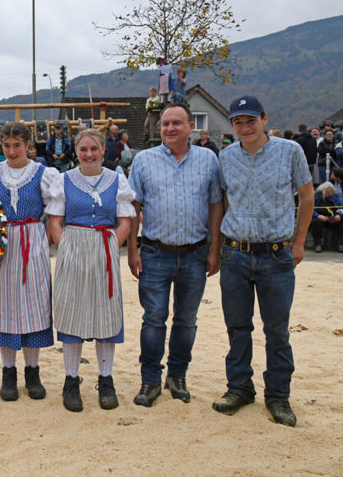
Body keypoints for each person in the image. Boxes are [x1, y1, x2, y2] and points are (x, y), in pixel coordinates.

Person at [213, 95, 313, 427]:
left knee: (277, 330)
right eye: (238, 122)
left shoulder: (290, 151)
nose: (245, 127)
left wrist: (299, 241)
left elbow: (307, 194)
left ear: (264, 119)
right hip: (236, 253)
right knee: (237, 327)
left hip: (277, 254)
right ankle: (239, 388)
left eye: (250, 120)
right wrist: (219, 248)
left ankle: (278, 395)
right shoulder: (226, 157)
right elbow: (223, 199)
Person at [127, 102, 223, 407]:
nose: (169, 128)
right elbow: (132, 207)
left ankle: (177, 376)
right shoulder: (144, 160)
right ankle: (150, 380)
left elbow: (216, 205)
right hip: (155, 252)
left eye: (176, 123)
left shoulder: (208, 159)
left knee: (186, 320)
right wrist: (132, 249)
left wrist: (215, 249)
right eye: (165, 123)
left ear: (190, 127)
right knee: (154, 319)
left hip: (195, 253)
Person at [0, 122, 58, 402]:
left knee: (34, 305)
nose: (11, 151)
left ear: (28, 145)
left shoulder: (43, 173)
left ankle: (32, 372)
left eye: (17, 145)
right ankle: (8, 372)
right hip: (0, 243)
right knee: (3, 305)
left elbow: (56, 209)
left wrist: (47, 238)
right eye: (6, 146)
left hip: (32, 242)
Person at [47, 129, 134, 412]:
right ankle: (71, 380)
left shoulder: (116, 180)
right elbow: (55, 221)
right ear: (76, 151)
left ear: (103, 150)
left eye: (94, 149)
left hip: (105, 246)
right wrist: (66, 249)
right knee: (72, 311)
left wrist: (111, 246)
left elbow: (125, 221)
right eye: (83, 149)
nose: (88, 154)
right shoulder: (64, 180)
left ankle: (106, 380)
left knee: (105, 312)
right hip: (73, 246)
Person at [309, 182, 343, 253]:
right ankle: (318, 244)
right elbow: (310, 209)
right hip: (319, 218)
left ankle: (340, 244)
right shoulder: (316, 197)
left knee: (341, 222)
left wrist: (338, 216)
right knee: (315, 222)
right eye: (326, 192)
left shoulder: (336, 197)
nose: (328, 193)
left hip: (332, 218)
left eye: (330, 192)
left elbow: (341, 208)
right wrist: (318, 215)